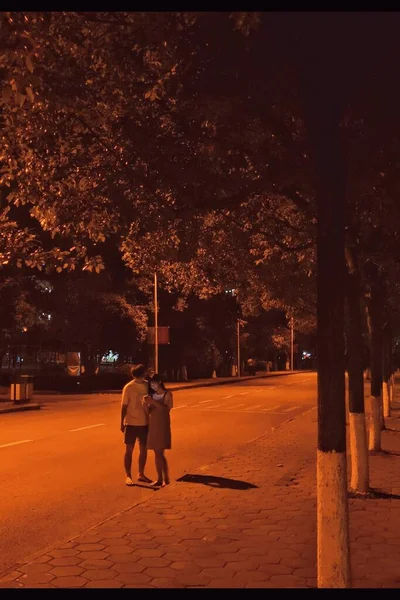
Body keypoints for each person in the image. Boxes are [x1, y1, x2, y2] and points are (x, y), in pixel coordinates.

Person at [120, 364, 152, 486]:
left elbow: (152, 404)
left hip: (144, 423)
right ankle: (128, 476)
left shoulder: (147, 386)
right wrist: (122, 422)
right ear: (142, 373)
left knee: (143, 450)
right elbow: (124, 406)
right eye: (146, 371)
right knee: (129, 450)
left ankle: (141, 474)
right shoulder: (129, 387)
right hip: (131, 423)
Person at [144, 374, 173, 487]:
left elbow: (166, 409)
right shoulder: (152, 395)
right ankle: (159, 478)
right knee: (156, 453)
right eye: (151, 384)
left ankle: (166, 478)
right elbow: (148, 412)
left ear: (159, 382)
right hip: (153, 425)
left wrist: (153, 402)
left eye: (154, 383)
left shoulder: (167, 394)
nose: (153, 386)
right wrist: (146, 404)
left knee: (160, 452)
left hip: (163, 425)